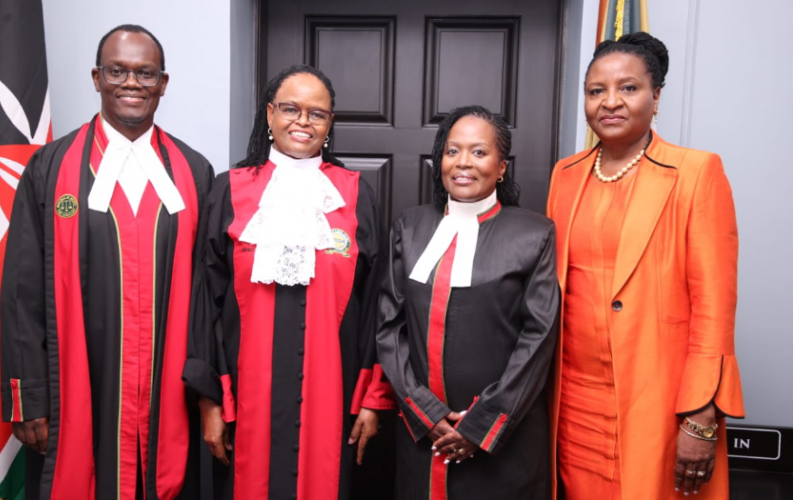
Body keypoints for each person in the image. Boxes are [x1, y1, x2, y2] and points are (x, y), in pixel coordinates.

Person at [0, 25, 213, 499]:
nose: (132, 83)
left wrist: (209, 392)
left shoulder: (195, 171)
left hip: (168, 395)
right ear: (97, 78)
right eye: (118, 71)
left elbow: (206, 295)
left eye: (145, 73)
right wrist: (26, 397)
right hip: (75, 391)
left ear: (163, 83)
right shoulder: (50, 169)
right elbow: (21, 290)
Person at [182, 64, 396, 500]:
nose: (303, 121)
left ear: (330, 124)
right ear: (269, 114)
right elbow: (204, 300)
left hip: (333, 403)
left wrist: (374, 398)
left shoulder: (356, 194)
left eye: (317, 113)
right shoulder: (229, 190)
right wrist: (210, 401)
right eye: (291, 109)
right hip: (243, 403)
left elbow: (380, 301)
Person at [546, 32, 744, 500]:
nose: (610, 102)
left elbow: (714, 306)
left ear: (656, 98)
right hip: (572, 400)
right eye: (596, 91)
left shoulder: (696, 173)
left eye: (628, 88)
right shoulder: (565, 174)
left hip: (657, 396)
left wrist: (700, 418)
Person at [376, 105, 560, 500]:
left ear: (502, 165)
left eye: (479, 152)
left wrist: (481, 424)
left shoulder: (535, 234)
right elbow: (390, 329)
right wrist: (426, 413)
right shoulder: (408, 227)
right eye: (452, 150)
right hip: (421, 435)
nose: (463, 163)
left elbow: (538, 339)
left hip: (504, 439)